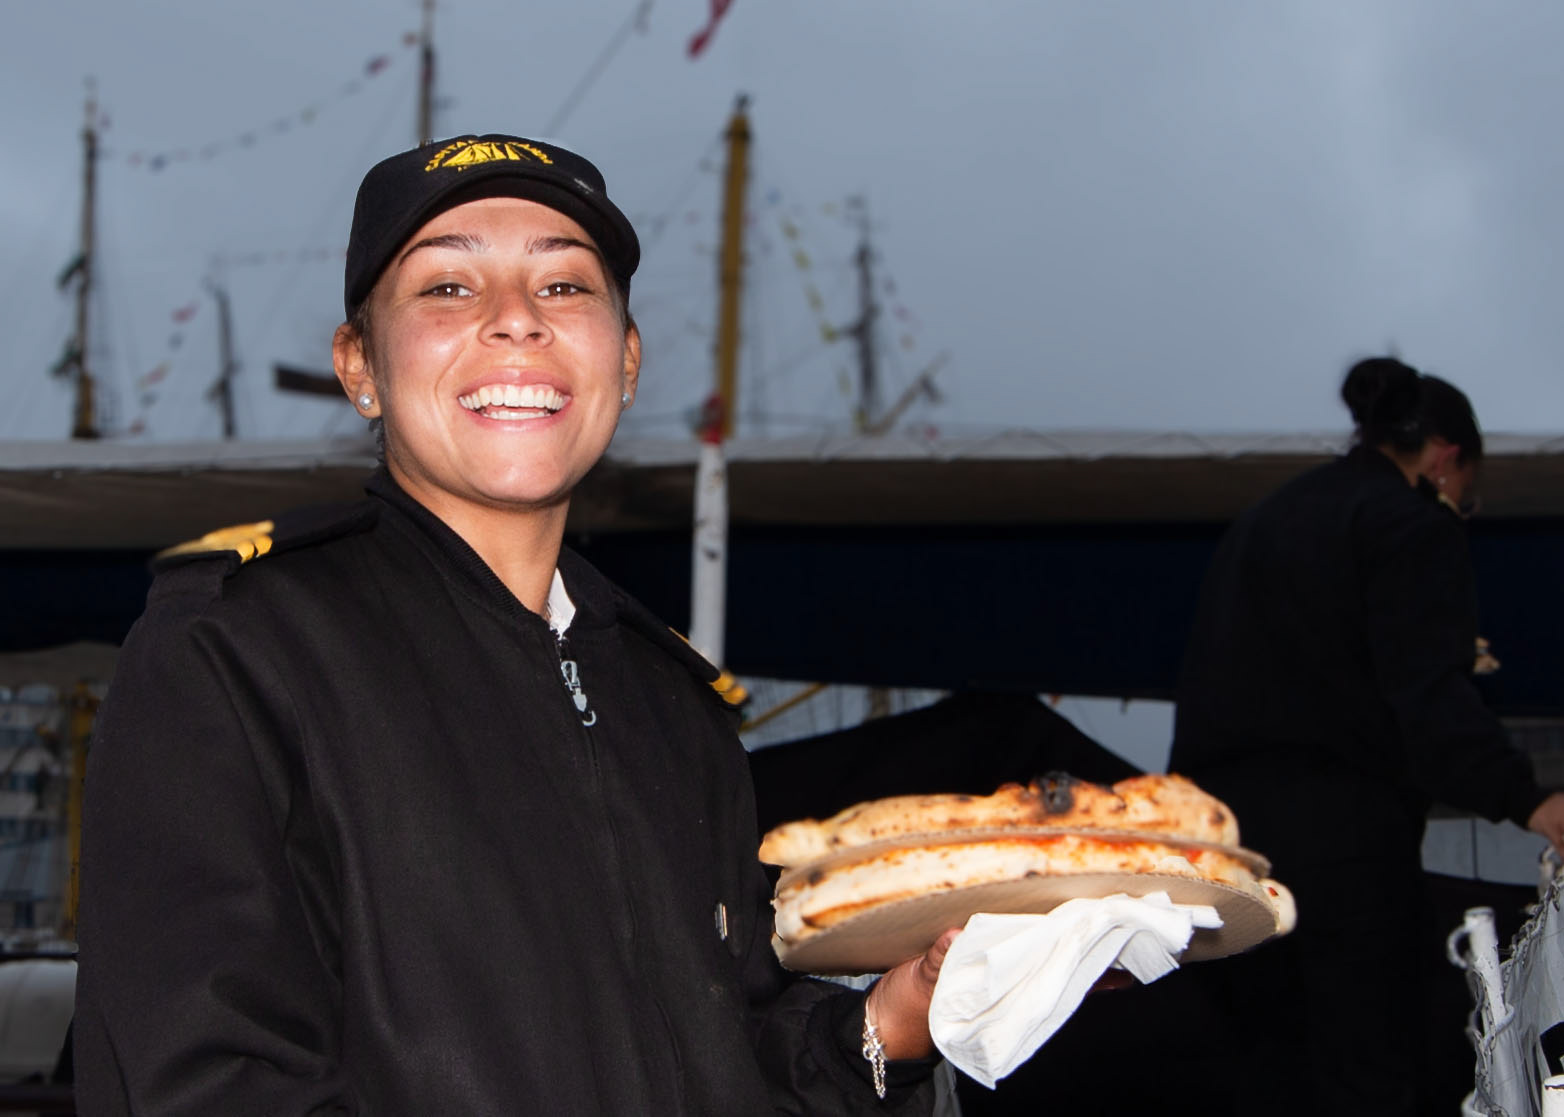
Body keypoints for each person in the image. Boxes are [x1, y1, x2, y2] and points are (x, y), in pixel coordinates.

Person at [73, 133, 954, 1115]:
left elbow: (729, 1060)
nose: (516, 320)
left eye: (564, 285)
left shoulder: (677, 708)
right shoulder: (235, 652)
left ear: (625, 360)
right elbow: (208, 1084)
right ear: (360, 366)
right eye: (447, 286)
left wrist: (894, 1024)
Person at [1169, 356, 1564, 1116]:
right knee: (1365, 1067)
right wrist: (1528, 798)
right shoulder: (1409, 524)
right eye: (1467, 493)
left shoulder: (1265, 520)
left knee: (1261, 1066)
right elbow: (1426, 695)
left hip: (1220, 848)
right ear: (1446, 458)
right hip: (1342, 850)